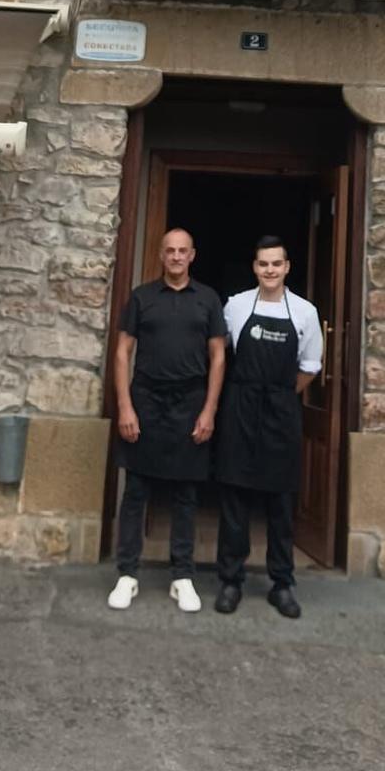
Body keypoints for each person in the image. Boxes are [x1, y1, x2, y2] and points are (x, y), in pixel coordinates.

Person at [108, 228, 227, 614]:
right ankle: (127, 574)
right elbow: (123, 353)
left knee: (185, 494)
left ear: (193, 255)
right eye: (170, 251)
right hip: (145, 398)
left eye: (182, 251)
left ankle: (182, 577)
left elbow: (218, 358)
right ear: (161, 256)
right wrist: (125, 406)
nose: (176, 257)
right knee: (136, 491)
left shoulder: (208, 300)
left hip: (191, 400)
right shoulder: (142, 298)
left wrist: (209, 410)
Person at [214, 235, 323, 620]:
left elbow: (310, 367)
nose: (270, 270)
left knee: (280, 502)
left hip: (280, 412)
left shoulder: (306, 312)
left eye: (276, 264)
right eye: (263, 264)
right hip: (240, 408)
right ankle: (230, 580)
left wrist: (279, 394)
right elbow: (220, 353)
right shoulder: (237, 305)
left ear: (287, 267)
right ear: (254, 268)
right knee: (235, 499)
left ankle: (282, 583)